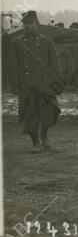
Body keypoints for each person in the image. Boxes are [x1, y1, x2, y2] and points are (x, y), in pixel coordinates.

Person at [7, 11, 61, 152]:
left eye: (30, 23)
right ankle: (35, 142)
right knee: (29, 114)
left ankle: (44, 134)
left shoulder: (47, 41)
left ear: (36, 24)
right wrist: (14, 85)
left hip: (45, 83)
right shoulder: (17, 43)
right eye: (25, 24)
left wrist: (56, 81)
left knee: (48, 111)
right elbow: (13, 65)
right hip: (27, 84)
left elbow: (55, 63)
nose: (27, 26)